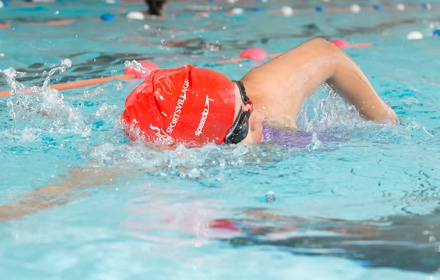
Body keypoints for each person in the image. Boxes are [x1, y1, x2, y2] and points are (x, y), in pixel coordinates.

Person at [122, 38, 398, 148]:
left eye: (244, 101)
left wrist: (384, 119)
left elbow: (327, 54)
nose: (258, 117)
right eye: (239, 129)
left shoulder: (265, 99)